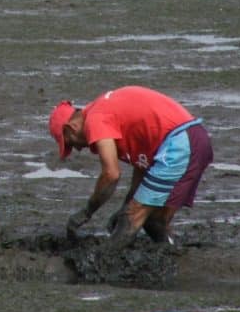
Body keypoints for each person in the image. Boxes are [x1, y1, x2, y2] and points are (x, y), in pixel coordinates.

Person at [48, 85, 213, 248]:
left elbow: (111, 174)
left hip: (180, 144)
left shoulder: (96, 119)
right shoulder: (106, 108)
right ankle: (174, 256)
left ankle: (101, 265)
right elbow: (143, 166)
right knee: (153, 220)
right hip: (195, 139)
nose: (77, 148)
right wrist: (125, 205)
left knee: (131, 217)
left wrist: (87, 212)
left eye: (70, 143)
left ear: (71, 127)